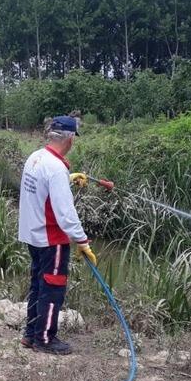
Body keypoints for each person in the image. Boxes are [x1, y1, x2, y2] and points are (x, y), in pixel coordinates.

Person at [17, 115, 113, 355]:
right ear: (70, 139)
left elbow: (43, 188)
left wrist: (68, 178)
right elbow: (66, 213)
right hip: (52, 239)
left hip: (33, 234)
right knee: (53, 288)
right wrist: (83, 242)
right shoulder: (56, 167)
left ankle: (31, 335)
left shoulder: (36, 157)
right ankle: (45, 339)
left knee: (38, 285)